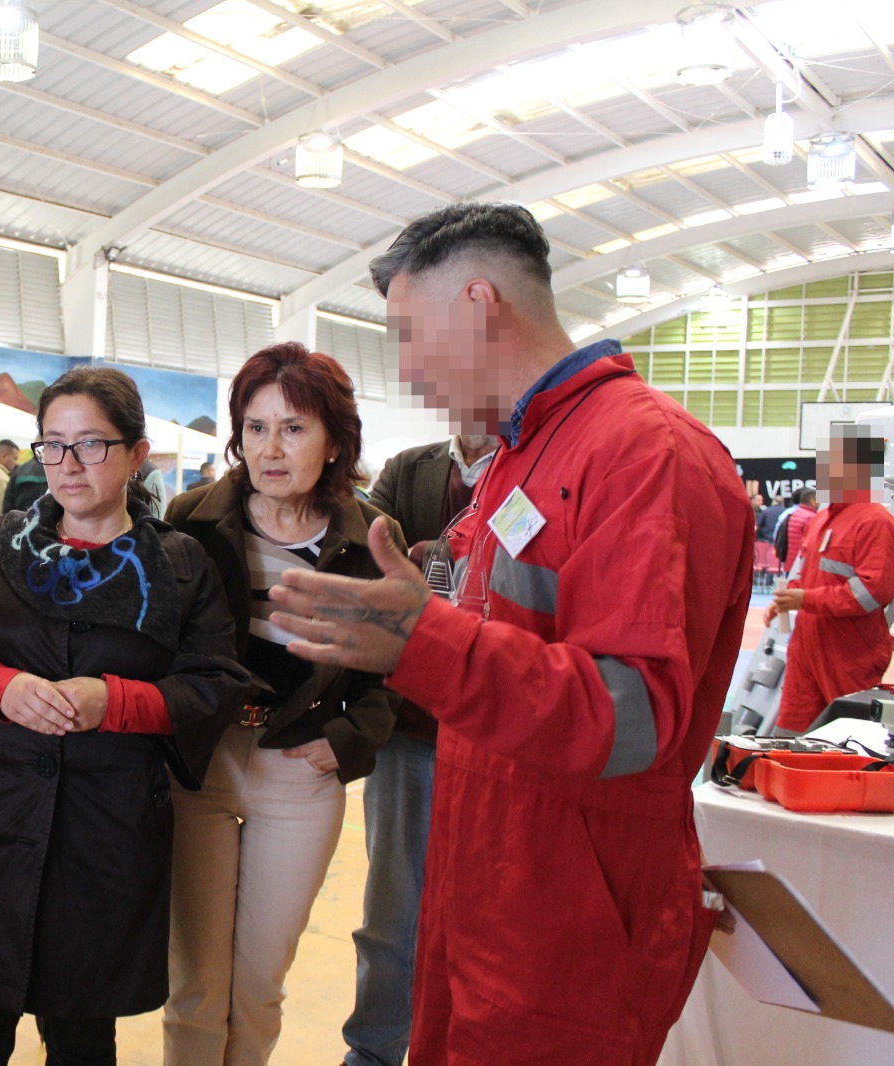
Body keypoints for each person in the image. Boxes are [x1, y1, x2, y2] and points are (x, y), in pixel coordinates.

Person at [267, 202, 753, 1065]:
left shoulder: (644, 454)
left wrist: (426, 643)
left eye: (411, 337)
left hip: (571, 921)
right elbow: (515, 644)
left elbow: (634, 715)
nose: (408, 370)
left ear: (479, 305)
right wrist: (429, 621)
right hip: (489, 884)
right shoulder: (525, 457)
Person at [0, 365, 251, 1066]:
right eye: (52, 444)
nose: (68, 464)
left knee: (83, 1038)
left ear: (136, 453)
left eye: (91, 444)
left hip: (105, 827)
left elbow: (215, 683)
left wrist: (115, 702)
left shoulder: (178, 565)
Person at [163, 342, 398, 1066]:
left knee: (260, 983)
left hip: (300, 771)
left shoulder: (372, 539)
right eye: (256, 427)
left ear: (335, 442)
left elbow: (398, 665)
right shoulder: (190, 519)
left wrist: (348, 739)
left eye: (293, 428)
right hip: (202, 767)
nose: (270, 448)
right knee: (194, 984)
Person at [340, 433, 496, 1066]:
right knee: (393, 915)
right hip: (412, 727)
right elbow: (362, 548)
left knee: (486, 923)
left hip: (496, 734)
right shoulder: (411, 468)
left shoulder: (542, 463)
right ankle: (372, 1053)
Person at [768, 429, 894, 733]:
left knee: (850, 738)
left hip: (849, 654)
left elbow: (871, 592)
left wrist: (805, 599)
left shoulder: (876, 522)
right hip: (807, 649)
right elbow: (805, 573)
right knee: (792, 735)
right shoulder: (822, 520)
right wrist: (788, 598)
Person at [780, 486, 817, 574]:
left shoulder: (795, 513)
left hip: (791, 562)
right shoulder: (811, 517)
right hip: (802, 565)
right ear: (813, 501)